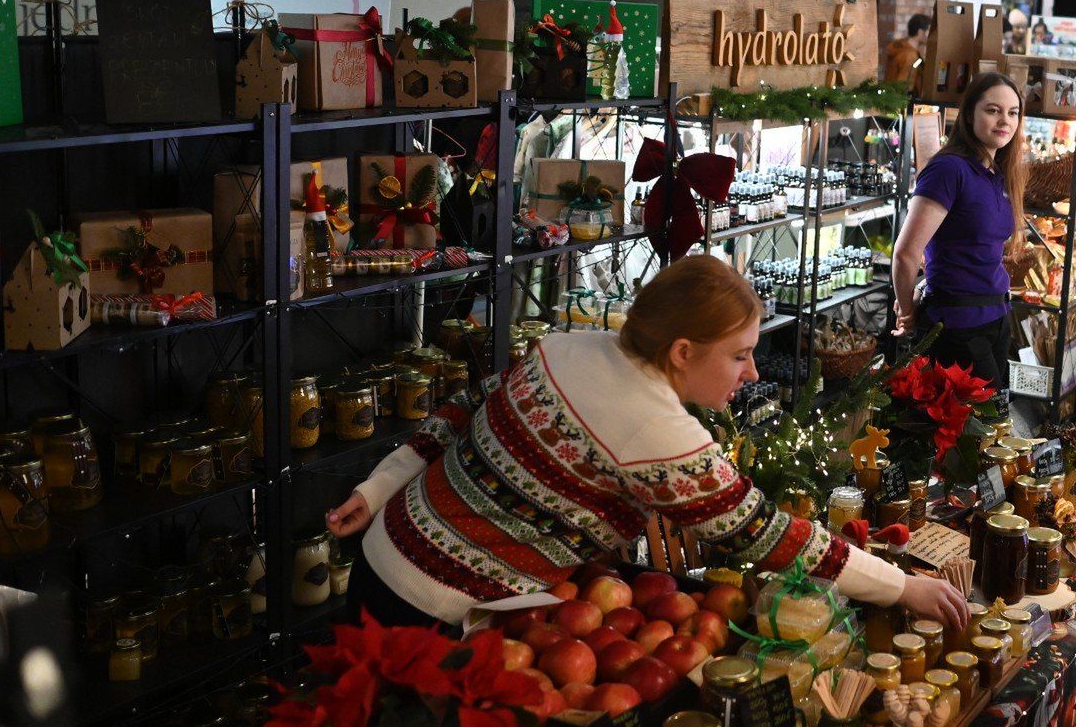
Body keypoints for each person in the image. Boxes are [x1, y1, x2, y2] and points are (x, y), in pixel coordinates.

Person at [325, 255, 968, 629]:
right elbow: (764, 533)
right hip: (434, 605)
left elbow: (462, 408)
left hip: (386, 547)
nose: (751, 374)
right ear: (682, 351)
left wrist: (379, 486)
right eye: (739, 355)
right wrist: (901, 588)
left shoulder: (566, 346)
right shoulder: (658, 432)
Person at [892, 71, 1027, 388]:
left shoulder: (997, 171)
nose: (1004, 121)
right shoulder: (948, 169)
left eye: (1013, 113)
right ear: (969, 115)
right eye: (993, 110)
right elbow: (905, 253)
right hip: (957, 323)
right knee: (975, 416)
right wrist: (909, 311)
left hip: (996, 315)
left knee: (993, 413)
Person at [883, 12, 931, 86]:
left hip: (889, 92)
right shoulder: (910, 56)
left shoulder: (900, 48)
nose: (931, 36)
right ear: (920, 32)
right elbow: (904, 86)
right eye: (929, 32)